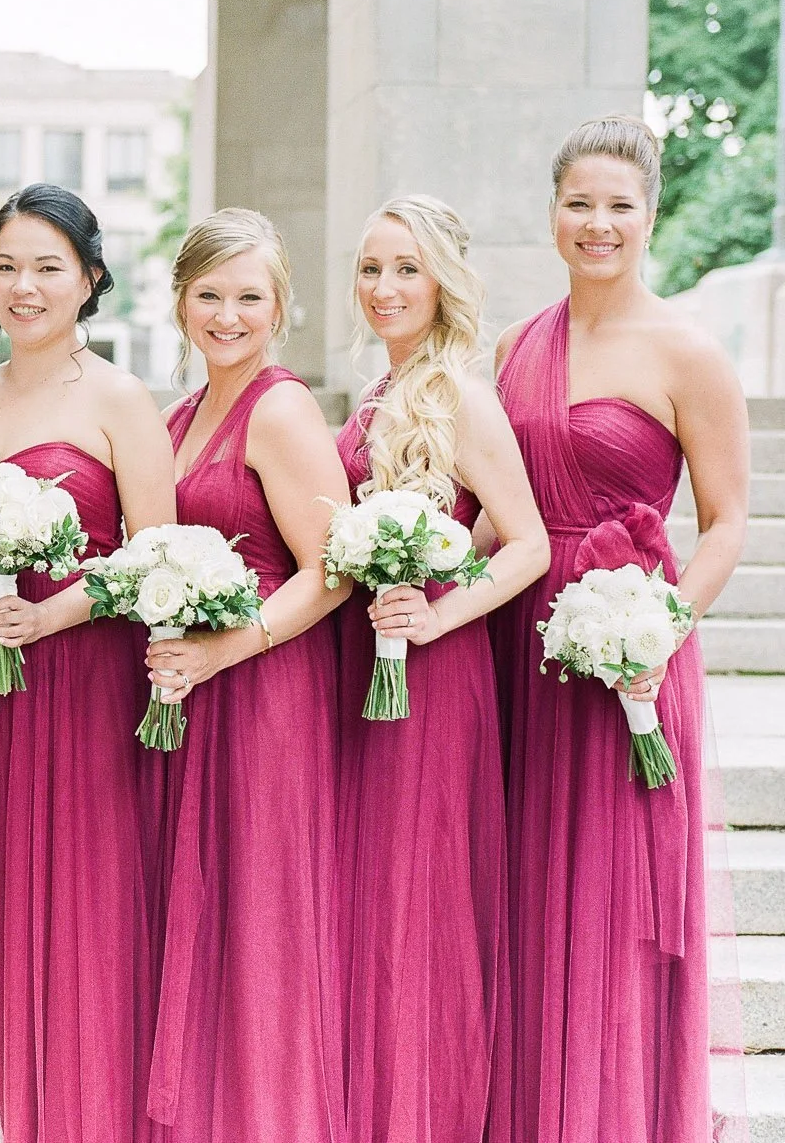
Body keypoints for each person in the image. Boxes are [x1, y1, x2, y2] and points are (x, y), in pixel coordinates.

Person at [491, 116, 748, 1143]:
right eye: (579, 203)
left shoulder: (687, 350)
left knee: (609, 901)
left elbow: (728, 522)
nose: (598, 224)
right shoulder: (514, 345)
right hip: (515, 635)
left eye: (619, 205)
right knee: (515, 887)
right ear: (553, 213)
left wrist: (661, 625)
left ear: (650, 215)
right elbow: (487, 502)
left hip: (624, 650)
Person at [0, 182, 176, 1141]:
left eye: (47, 268)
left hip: (78, 676)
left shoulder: (121, 399)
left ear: (89, 280)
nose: (23, 287)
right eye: (7, 266)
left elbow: (158, 551)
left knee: (81, 902)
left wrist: (59, 612)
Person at [333, 196, 547, 1143]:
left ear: (443, 283)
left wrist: (437, 615)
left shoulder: (459, 392)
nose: (385, 288)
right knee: (370, 900)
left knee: (418, 904)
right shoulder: (376, 391)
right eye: (373, 268)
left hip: (431, 675)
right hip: (361, 668)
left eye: (406, 269)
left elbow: (528, 542)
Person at [144, 207, 350, 1142]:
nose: (227, 315)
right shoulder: (181, 414)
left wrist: (226, 648)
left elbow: (334, 569)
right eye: (209, 295)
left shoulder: (282, 406)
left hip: (265, 692)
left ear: (281, 308)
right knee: (206, 919)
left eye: (248, 297)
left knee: (263, 926)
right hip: (189, 691)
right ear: (181, 300)